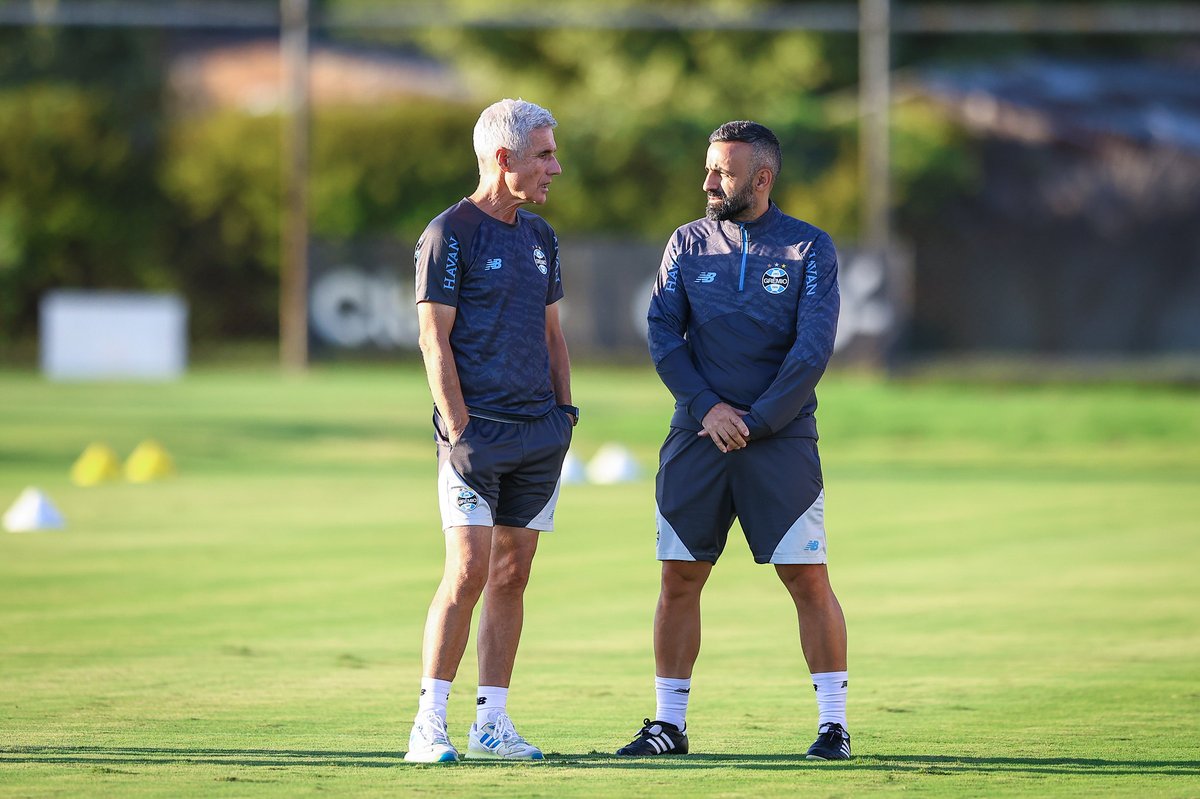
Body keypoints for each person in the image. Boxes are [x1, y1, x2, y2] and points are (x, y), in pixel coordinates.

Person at [615, 121, 851, 760]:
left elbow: (812, 349)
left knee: (806, 578)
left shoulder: (810, 248)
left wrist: (757, 420)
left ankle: (833, 726)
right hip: (698, 436)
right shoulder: (686, 243)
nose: (708, 182)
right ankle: (669, 726)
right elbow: (662, 333)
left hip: (780, 439)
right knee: (678, 579)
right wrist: (708, 408)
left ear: (762, 178)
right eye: (708, 168)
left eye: (722, 171)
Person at [404, 98, 578, 764]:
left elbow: (553, 334)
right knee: (467, 571)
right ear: (504, 158)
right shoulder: (449, 233)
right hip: (476, 438)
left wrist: (565, 415)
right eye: (545, 155)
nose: (555, 167)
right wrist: (459, 429)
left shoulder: (540, 237)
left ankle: (492, 724)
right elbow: (433, 339)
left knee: (512, 573)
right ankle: (428, 725)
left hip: (539, 434)